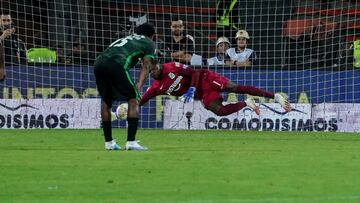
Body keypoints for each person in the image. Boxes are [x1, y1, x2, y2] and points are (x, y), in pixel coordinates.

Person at [139, 61, 291, 116]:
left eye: (154, 69)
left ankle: (275, 96)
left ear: (158, 65)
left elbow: (195, 72)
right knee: (220, 111)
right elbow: (140, 100)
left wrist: (191, 89)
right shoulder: (155, 88)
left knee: (234, 87)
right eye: (150, 72)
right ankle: (248, 103)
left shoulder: (172, 67)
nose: (153, 72)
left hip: (206, 78)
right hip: (203, 92)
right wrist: (125, 108)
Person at [93, 23, 156, 151]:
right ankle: (131, 142)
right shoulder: (148, 43)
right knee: (133, 100)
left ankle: (109, 143)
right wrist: (139, 85)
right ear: (153, 36)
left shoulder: (125, 39)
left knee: (106, 103)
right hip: (117, 64)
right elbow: (146, 65)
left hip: (98, 63)